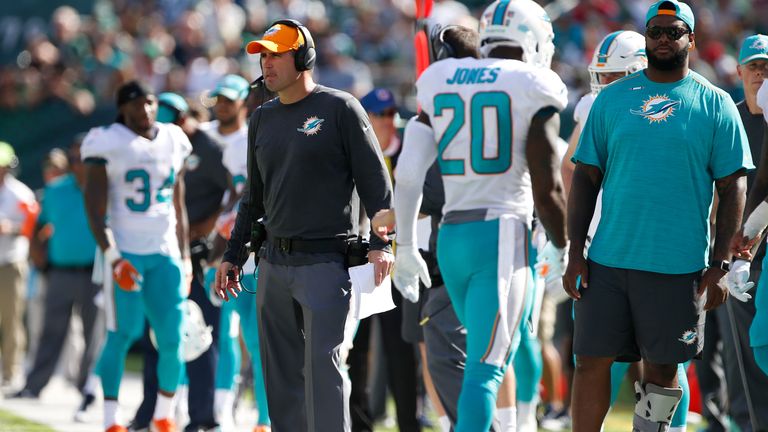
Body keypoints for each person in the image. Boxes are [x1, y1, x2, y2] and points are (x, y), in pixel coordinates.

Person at [564, 1, 753, 431]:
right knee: (590, 361)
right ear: (646, 38)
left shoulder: (715, 103)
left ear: (691, 37)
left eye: (673, 32)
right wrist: (575, 251)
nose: (663, 39)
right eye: (655, 32)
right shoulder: (610, 100)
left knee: (663, 371)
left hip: (677, 265)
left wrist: (720, 264)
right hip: (607, 260)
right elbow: (585, 178)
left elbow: (732, 187)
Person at [389, 1, 569, 429]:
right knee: (486, 367)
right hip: (501, 233)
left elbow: (409, 173)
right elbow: (548, 185)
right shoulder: (533, 81)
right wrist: (563, 246)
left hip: (452, 237)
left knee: (487, 356)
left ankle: (516, 421)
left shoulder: (438, 78)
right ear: (534, 38)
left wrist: (405, 244)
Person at [215, 19, 394, 432]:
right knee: (280, 379)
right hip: (273, 264)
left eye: (276, 54)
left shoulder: (340, 107)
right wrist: (233, 255)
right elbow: (253, 197)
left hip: (326, 263)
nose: (267, 63)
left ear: (304, 57)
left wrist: (381, 244)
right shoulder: (260, 118)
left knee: (323, 371)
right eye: (263, 55)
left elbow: (376, 184)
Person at [82, 80, 193, 432]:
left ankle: (164, 413)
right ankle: (110, 418)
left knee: (174, 338)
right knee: (121, 333)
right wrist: (113, 258)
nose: (145, 110)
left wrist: (186, 256)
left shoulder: (174, 138)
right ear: (122, 108)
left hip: (164, 252)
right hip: (126, 252)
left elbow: (179, 203)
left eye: (149, 102)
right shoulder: (106, 140)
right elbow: (93, 208)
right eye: (136, 104)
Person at [128, 91, 230, 432]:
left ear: (185, 118)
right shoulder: (151, 146)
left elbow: (237, 191)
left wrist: (209, 226)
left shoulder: (210, 148)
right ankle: (151, 412)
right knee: (157, 334)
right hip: (160, 251)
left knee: (198, 331)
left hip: (197, 254)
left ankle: (203, 417)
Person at [345, 87, 421, 432]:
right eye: (381, 114)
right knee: (355, 349)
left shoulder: (410, 152)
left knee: (401, 350)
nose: (389, 120)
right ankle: (360, 424)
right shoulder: (352, 154)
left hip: (400, 263)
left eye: (392, 114)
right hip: (361, 261)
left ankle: (408, 422)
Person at [12, 137, 104, 408]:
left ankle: (87, 389)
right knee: (50, 331)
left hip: (93, 273)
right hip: (60, 272)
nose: (79, 165)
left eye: (84, 159)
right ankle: (34, 386)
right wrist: (37, 252)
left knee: (93, 335)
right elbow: (37, 226)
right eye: (75, 159)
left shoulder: (104, 190)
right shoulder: (55, 190)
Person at [725, 34, 768, 430]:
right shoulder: (729, 119)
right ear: (739, 71)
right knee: (739, 358)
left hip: (762, 253)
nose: (761, 74)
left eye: (767, 66)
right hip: (736, 253)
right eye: (754, 66)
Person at [0, 141, 39, 389]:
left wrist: (10, 228)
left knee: (11, 319)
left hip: (10, 262)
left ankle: (10, 372)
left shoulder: (21, 194)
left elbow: (31, 228)